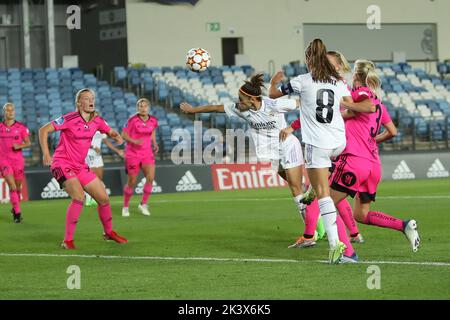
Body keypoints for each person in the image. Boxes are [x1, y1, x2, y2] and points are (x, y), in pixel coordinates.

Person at [269, 39, 376, 264]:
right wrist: (352, 106)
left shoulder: (302, 81)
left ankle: (336, 247)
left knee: (323, 195)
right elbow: (355, 105)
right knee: (322, 187)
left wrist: (273, 82)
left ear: (308, 58)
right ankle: (316, 190)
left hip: (318, 144)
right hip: (339, 142)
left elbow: (272, 95)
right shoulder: (338, 82)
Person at [180, 73, 310, 236]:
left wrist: (292, 126)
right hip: (271, 154)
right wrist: (193, 110)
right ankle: (311, 208)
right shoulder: (241, 109)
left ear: (253, 99)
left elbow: (305, 103)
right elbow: (215, 108)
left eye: (241, 100)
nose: (238, 104)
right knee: (296, 186)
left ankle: (311, 229)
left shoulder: (274, 104)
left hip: (287, 145)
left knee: (295, 188)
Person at [330, 59, 420, 252]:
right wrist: (371, 141)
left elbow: (365, 105)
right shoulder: (380, 104)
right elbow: (392, 131)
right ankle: (404, 225)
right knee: (361, 215)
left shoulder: (359, 94)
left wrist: (341, 101)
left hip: (354, 161)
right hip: (373, 165)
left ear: (356, 77)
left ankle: (346, 251)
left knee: (326, 202)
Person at [280, 50, 365, 245]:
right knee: (330, 194)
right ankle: (352, 234)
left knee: (319, 195)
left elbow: (343, 114)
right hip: (336, 143)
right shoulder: (337, 83)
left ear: (337, 65)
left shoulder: (337, 84)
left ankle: (316, 238)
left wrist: (294, 126)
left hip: (332, 144)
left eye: (329, 62)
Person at [38, 88, 128, 249]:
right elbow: (43, 130)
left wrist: (117, 136)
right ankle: (67, 240)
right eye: (86, 98)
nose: (91, 100)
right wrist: (46, 154)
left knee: (103, 199)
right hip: (62, 163)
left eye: (92, 98)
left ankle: (108, 233)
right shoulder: (69, 118)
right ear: (79, 103)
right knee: (79, 197)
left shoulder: (97, 120)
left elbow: (109, 130)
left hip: (80, 166)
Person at [121, 98, 159, 217]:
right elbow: (123, 135)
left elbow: (152, 131)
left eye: (145, 106)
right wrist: (134, 141)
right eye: (140, 106)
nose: (143, 108)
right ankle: (125, 206)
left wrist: (154, 143)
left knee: (151, 177)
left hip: (147, 153)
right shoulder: (132, 120)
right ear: (137, 108)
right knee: (132, 182)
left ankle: (143, 204)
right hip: (133, 153)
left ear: (148, 107)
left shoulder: (153, 120)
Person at [0, 103, 31, 223]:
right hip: (3, 161)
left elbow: (28, 143)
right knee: (12, 186)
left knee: (18, 188)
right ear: (4, 112)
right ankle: (17, 214)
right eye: (8, 110)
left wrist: (19, 145)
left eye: (12, 110)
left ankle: (15, 207)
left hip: (17, 161)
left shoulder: (21, 128)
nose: (10, 112)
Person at [85, 130, 124, 206]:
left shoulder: (102, 126)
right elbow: (82, 141)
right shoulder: (88, 125)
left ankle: (94, 197)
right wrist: (93, 147)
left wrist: (117, 151)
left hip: (98, 155)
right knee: (92, 178)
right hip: (89, 153)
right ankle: (88, 198)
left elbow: (105, 141)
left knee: (99, 177)